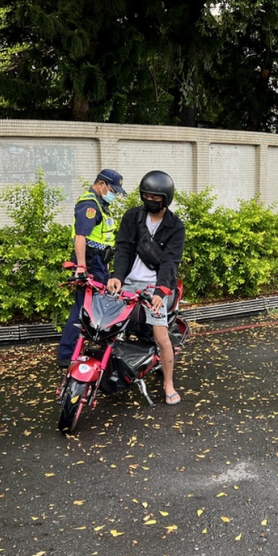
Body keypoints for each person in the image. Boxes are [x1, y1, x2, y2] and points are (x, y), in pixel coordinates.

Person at [106, 170, 186, 405]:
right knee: (106, 325)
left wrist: (161, 291)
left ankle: (168, 383)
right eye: (145, 196)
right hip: (129, 282)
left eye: (155, 197)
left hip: (155, 286)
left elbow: (171, 262)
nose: (149, 200)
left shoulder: (175, 227)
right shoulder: (132, 217)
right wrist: (117, 276)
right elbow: (122, 249)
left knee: (161, 336)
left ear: (166, 198)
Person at [57, 169, 126, 366]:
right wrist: (81, 267)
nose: (114, 194)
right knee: (83, 308)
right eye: (113, 189)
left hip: (99, 263)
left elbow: (103, 237)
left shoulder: (102, 204)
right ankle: (67, 354)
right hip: (90, 263)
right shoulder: (90, 205)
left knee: (98, 307)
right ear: (102, 184)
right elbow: (81, 237)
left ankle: (86, 348)